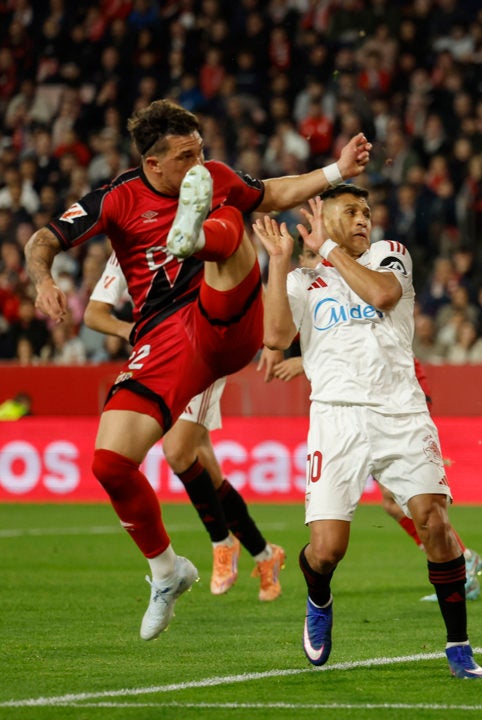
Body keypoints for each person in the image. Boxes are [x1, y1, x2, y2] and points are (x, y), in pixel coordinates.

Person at [23, 98, 372, 640]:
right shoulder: (116, 199)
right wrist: (43, 279)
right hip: (162, 339)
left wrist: (336, 172)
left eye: (201, 151)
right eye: (185, 157)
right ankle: (167, 572)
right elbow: (43, 239)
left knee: (230, 214)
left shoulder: (215, 179)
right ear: (153, 164)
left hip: (223, 318)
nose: (198, 164)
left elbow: (274, 193)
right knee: (110, 464)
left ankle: (195, 237)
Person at [254, 187, 482, 679]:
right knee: (327, 550)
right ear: (322, 216)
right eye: (351, 212)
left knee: (434, 524)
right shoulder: (302, 280)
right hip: (336, 419)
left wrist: (331, 249)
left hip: (401, 413)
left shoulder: (389, 256)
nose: (363, 220)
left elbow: (382, 296)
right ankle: (319, 601)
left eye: (367, 212)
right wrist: (278, 263)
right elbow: (274, 337)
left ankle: (459, 645)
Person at [85, 251, 286, 601]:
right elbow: (93, 313)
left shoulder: (192, 235)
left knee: (177, 451)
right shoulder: (126, 251)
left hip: (202, 351)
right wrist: (130, 330)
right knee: (204, 465)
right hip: (157, 361)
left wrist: (268, 337)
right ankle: (265, 554)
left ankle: (222, 543)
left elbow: (243, 276)